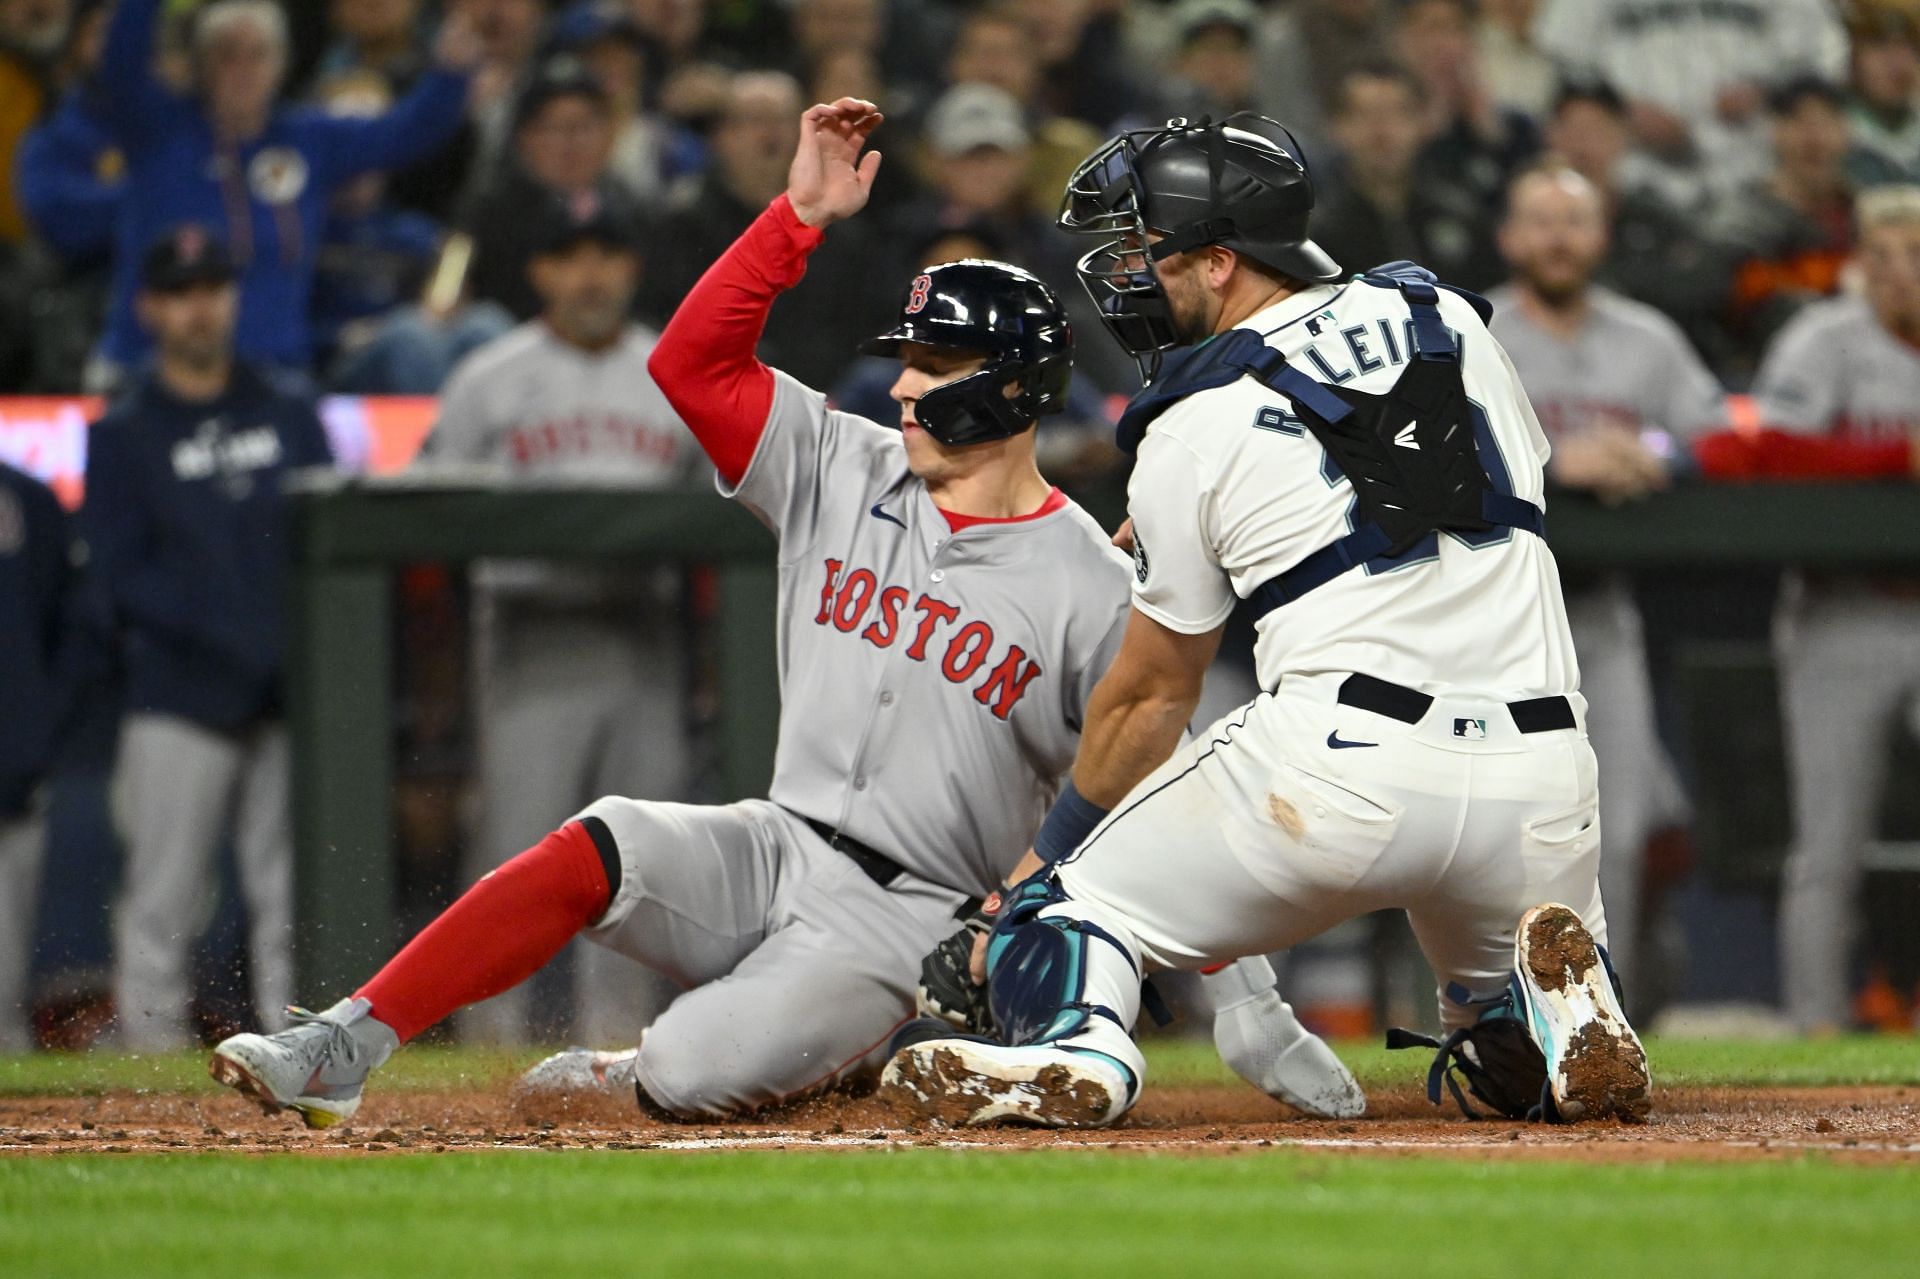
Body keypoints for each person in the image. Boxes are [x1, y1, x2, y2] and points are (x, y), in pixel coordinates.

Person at [206, 98, 1362, 1128]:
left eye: (941, 359)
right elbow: (693, 366)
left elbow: (1168, 796)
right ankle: (344, 1041)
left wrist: (1249, 1009)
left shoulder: (1088, 580)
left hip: (909, 923)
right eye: (907, 353)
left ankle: (721, 1062)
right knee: (601, 839)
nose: (906, 380)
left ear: (1014, 383)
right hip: (774, 839)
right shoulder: (840, 462)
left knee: (690, 1072)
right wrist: (794, 219)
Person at [884, 113, 1651, 1128]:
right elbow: (1418, 465)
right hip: (1544, 779)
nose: (1127, 273)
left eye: (1145, 248)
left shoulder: (1191, 419)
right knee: (1487, 1050)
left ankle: (1081, 1043)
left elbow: (1152, 701)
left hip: (1341, 773)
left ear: (1219, 259)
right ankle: (1537, 1018)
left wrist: (1041, 861)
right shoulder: (1451, 319)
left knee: (1061, 912)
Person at [418, 195, 698, 1046]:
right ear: (540, 272)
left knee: (640, 865)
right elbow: (421, 528)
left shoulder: (670, 371)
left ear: (632, 268)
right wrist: (438, 684)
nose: (590, 274)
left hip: (646, 638)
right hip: (530, 637)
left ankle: (620, 1052)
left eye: (607, 253)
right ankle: (486, 1048)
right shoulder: (489, 376)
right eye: (570, 255)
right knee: (513, 858)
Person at [86, 226, 335, 1050]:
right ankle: (149, 1071)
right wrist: (234, 642)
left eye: (213, 288)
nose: (201, 307)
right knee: (164, 895)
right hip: (180, 697)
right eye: (182, 292)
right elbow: (121, 581)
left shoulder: (288, 407)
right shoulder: (123, 432)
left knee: (291, 895)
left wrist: (282, 654)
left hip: (283, 694)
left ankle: (295, 1055)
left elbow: (327, 541)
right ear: (149, 308)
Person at [1487, 165, 1725, 1004]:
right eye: (1540, 220)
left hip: (1600, 614)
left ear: (1601, 236)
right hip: (1483, 623)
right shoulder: (1472, 328)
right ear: (1508, 237)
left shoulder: (1647, 337)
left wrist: (1653, 454)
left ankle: (1602, 1012)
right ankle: (1480, 1006)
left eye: (1575, 220)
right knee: (1482, 830)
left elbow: (1722, 436)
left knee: (1617, 828)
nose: (1558, 237)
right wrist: (1562, 461)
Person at [1723, 186, 1920, 1034]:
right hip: (1844, 608)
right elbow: (1770, 446)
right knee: (1827, 844)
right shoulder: (1822, 337)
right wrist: (1897, 454)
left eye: (1916, 251)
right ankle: (1815, 1028)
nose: (1902, 271)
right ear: (1861, 264)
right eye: (1884, 254)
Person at [87, 0, 478, 386]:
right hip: (147, 375)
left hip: (274, 379)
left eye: (258, 54)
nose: (243, 70)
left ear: (282, 64)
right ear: (203, 66)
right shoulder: (158, 132)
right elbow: (121, 60)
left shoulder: (306, 141)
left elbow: (405, 133)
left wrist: (452, 70)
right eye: (227, 55)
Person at [0, 458, 79, 1052]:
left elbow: (70, 617)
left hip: (13, 749)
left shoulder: (26, 497)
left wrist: (38, 719)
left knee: (8, 932)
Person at [1313, 62, 1503, 292]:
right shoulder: (1317, 234)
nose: (1381, 131)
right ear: (1337, 126)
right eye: (1365, 113)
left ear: (1423, 123)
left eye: (1397, 113)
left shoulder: (1462, 215)